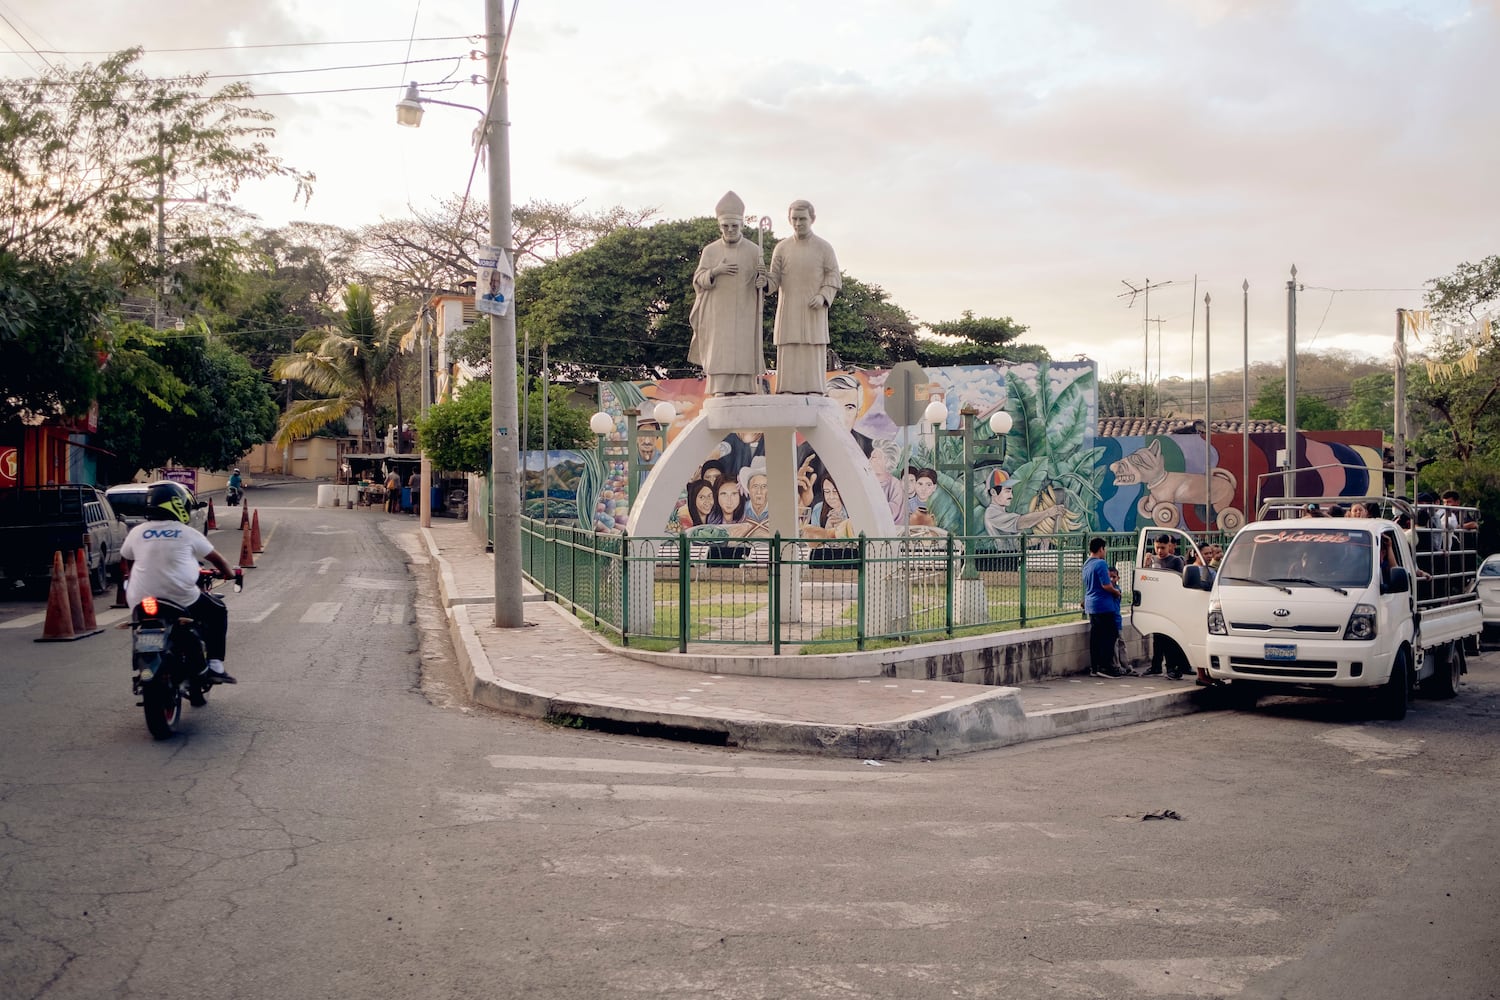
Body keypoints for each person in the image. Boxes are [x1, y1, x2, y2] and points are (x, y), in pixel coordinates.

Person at [120, 482, 237, 687]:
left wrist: (131, 578)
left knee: (139, 626)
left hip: (139, 598)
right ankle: (216, 665)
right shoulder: (186, 532)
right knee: (218, 611)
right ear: (177, 505)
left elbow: (128, 559)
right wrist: (229, 573)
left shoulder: (137, 532)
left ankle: (143, 662)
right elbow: (217, 560)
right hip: (180, 597)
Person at [687, 191, 767, 396]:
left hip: (744, 308)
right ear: (720, 226)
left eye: (734, 226)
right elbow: (698, 279)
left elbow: (766, 282)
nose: (730, 230)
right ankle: (719, 388)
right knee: (719, 348)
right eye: (726, 226)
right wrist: (715, 271)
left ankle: (744, 388)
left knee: (742, 347)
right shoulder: (710, 251)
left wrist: (763, 281)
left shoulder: (754, 250)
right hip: (718, 311)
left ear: (741, 225)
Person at [766, 199, 841, 394]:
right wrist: (764, 282)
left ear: (812, 219)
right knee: (789, 347)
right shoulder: (781, 248)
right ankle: (787, 389)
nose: (798, 223)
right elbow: (774, 280)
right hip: (789, 308)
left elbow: (833, 275)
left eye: (802, 219)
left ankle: (814, 389)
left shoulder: (824, 247)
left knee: (812, 347)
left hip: (813, 308)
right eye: (794, 219)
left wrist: (823, 296)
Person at [1083, 537, 1124, 677]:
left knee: (1096, 636)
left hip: (1091, 605)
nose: (1104, 552)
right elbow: (1106, 585)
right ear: (1101, 549)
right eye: (1104, 549)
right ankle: (1105, 666)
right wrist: (1116, 592)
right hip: (1103, 605)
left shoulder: (1087, 564)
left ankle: (1094, 667)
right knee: (1110, 634)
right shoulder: (1100, 563)